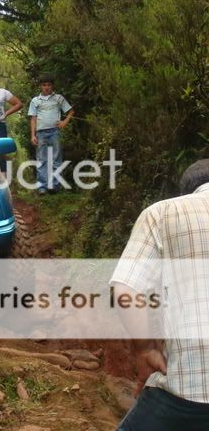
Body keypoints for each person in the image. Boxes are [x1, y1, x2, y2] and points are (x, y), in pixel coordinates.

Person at [110, 159, 209, 430]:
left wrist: (145, 350)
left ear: (187, 191)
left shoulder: (163, 214)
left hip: (189, 387)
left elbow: (125, 289)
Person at [27, 74, 74, 195]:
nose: (46, 87)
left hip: (54, 131)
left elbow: (71, 111)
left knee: (56, 159)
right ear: (40, 87)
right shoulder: (35, 100)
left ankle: (55, 185)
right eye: (44, 85)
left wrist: (64, 122)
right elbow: (33, 118)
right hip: (41, 133)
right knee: (42, 160)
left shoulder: (58, 98)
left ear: (52, 86)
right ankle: (42, 186)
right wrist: (33, 135)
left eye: (49, 85)